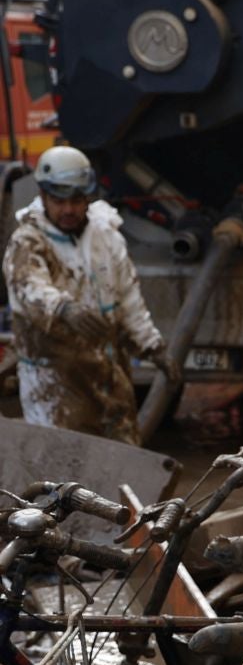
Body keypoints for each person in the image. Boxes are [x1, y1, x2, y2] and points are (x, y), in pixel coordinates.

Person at [3, 146, 177, 443]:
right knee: (64, 467)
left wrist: (153, 347)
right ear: (43, 196)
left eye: (76, 200)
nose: (68, 210)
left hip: (109, 376)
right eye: (59, 201)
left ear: (88, 197)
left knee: (122, 464)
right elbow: (29, 287)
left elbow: (128, 299)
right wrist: (62, 309)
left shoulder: (105, 235)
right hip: (55, 383)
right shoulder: (27, 243)